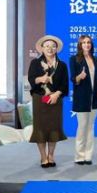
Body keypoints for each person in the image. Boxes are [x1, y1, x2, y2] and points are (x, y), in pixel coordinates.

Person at [28, 35, 68, 168]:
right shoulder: (35, 63)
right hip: (39, 99)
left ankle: (51, 156)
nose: (50, 49)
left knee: (53, 129)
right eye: (47, 46)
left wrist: (57, 94)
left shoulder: (62, 65)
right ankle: (43, 157)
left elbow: (65, 84)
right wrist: (41, 79)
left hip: (55, 100)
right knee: (40, 129)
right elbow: (31, 79)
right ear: (42, 48)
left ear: (57, 49)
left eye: (53, 46)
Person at [69, 35, 97, 165]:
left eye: (88, 42)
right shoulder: (74, 59)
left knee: (90, 127)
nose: (86, 44)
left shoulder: (96, 59)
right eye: (84, 42)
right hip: (82, 97)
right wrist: (79, 77)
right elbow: (73, 79)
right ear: (80, 45)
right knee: (82, 127)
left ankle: (88, 156)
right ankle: (79, 156)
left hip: (95, 98)